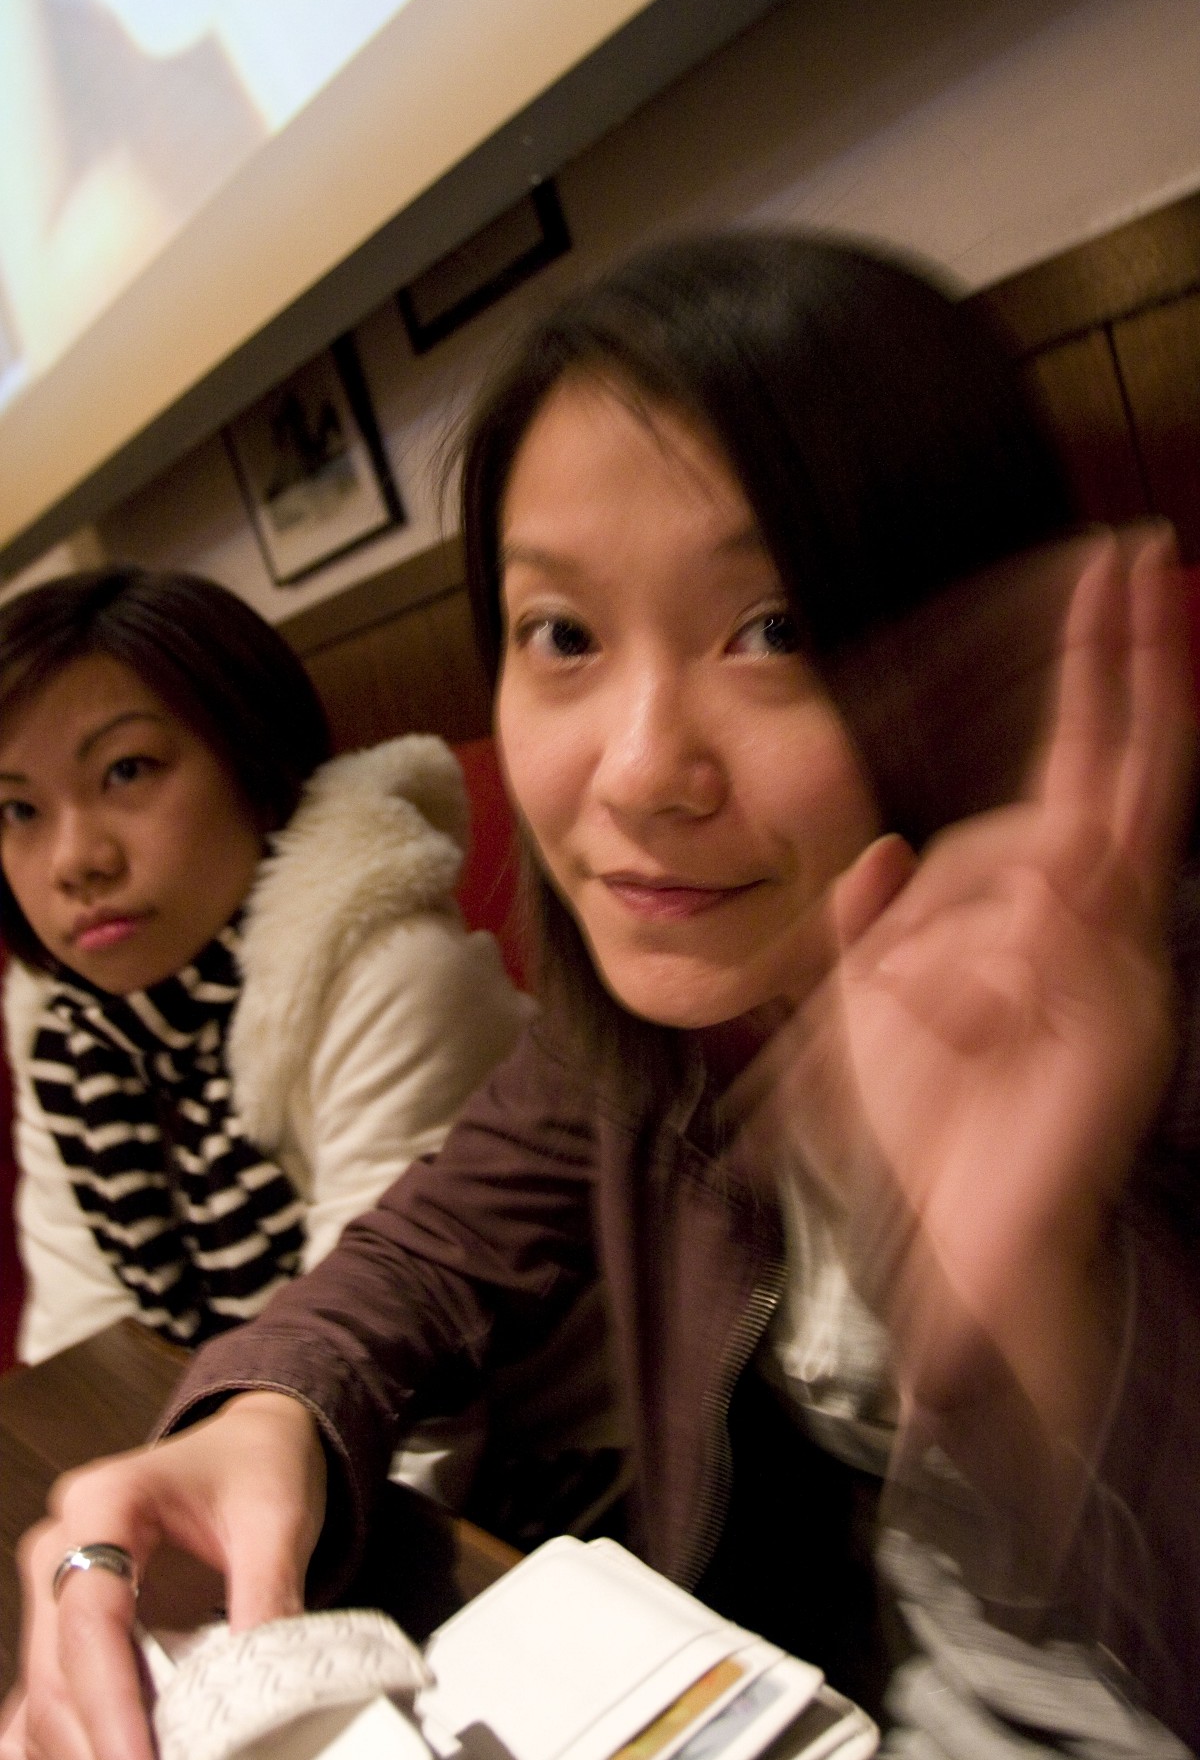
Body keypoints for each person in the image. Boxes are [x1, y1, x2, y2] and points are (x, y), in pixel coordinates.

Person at [5, 234, 1199, 1760]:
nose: (637, 773)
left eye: (773, 631)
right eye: (561, 635)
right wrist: (262, 1418)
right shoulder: (648, 1041)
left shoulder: (1147, 1011)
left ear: (971, 643)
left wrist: (1059, 1323)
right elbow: (417, 1258)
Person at [0, 568, 532, 1364]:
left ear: (254, 759)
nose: (75, 861)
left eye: (128, 770)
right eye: (18, 810)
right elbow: (83, 1351)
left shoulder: (390, 968)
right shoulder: (67, 1031)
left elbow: (378, 1363)